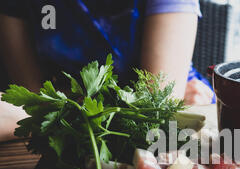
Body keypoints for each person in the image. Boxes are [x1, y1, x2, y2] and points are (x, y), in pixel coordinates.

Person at [0, 0, 214, 142]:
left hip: (181, 120)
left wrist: (25, 114)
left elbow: (153, 111)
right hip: (75, 135)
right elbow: (32, 93)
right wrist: (34, 109)